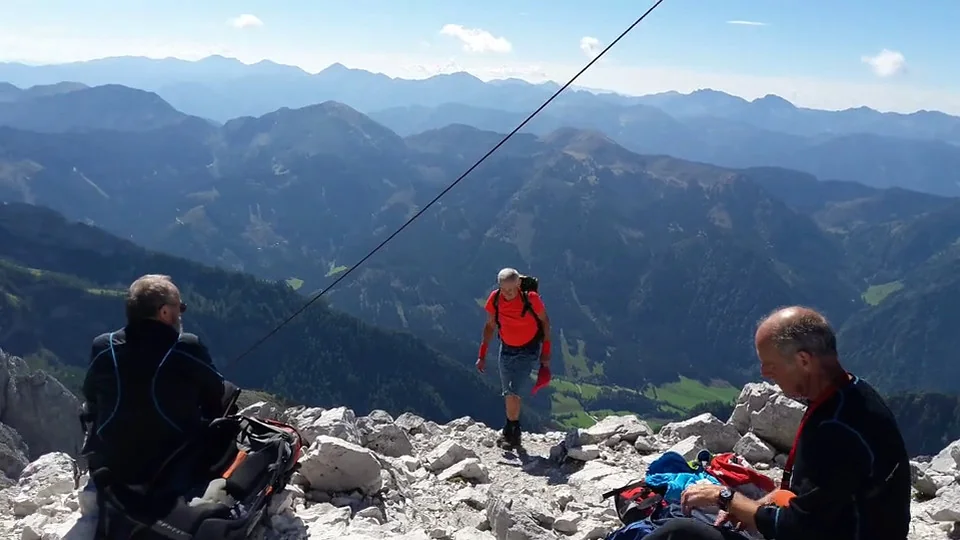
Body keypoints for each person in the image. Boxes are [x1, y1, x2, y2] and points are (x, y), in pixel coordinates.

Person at [649, 306, 911, 540]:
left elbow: (798, 528)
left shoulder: (834, 429)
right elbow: (823, 498)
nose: (765, 373)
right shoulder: (852, 396)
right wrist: (758, 506)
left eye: (770, 364)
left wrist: (725, 497)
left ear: (803, 360)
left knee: (679, 532)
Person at [80, 274, 237, 488]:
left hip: (112, 466)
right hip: (171, 466)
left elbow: (90, 394)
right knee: (227, 391)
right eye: (180, 307)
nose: (181, 313)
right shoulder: (185, 346)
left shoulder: (103, 346)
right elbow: (216, 389)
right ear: (164, 312)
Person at [476, 268, 551, 448]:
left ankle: (513, 434)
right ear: (499, 286)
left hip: (528, 349)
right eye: (504, 289)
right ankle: (509, 429)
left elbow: (545, 322)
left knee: (512, 390)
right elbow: (490, 326)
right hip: (506, 348)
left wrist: (545, 354)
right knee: (507, 391)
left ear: (518, 284)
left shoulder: (531, 298)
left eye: (511, 289)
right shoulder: (495, 299)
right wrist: (482, 354)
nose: (507, 293)